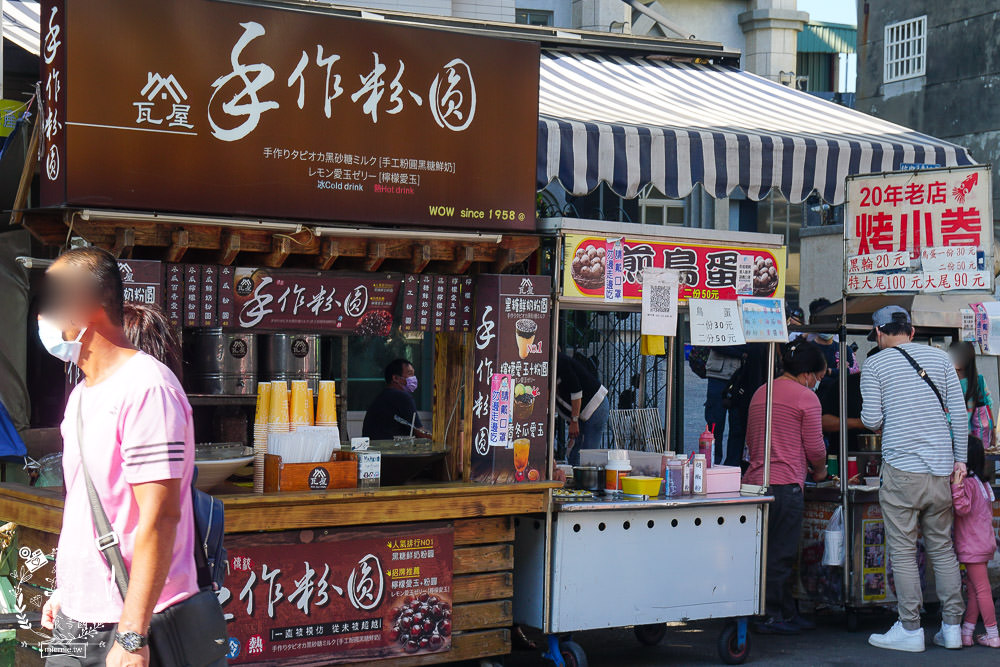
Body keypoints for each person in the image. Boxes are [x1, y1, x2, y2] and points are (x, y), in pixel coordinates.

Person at [37, 248, 199, 666]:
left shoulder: (148, 389)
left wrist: (131, 635)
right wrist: (69, 588)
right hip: (77, 617)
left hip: (130, 621)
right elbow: (93, 507)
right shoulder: (81, 396)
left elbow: (160, 518)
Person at [861, 305, 967, 653]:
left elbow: (872, 419)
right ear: (911, 330)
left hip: (902, 470)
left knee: (904, 552)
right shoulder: (940, 359)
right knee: (943, 548)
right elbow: (960, 414)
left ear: (878, 333)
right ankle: (952, 628)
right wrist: (960, 462)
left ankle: (910, 629)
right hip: (941, 470)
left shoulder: (875, 363)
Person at [744, 340, 828, 634]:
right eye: (818, 377)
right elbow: (816, 448)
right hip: (786, 486)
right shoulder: (807, 399)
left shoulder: (761, 392)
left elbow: (751, 439)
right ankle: (769, 615)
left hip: (754, 484)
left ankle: (780, 610)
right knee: (780, 555)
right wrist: (821, 470)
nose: (816, 383)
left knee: (760, 553)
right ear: (807, 374)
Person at [951, 436, 999, 648]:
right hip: (984, 544)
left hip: (972, 547)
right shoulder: (982, 483)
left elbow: (961, 508)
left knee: (981, 589)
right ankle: (967, 632)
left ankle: (993, 633)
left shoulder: (967, 484)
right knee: (973, 589)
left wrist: (956, 485)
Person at [556, 351, 609, 466]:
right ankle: (578, 479)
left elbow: (576, 391)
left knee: (587, 456)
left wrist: (574, 421)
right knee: (574, 453)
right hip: (579, 414)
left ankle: (587, 481)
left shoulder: (561, 363)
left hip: (595, 407)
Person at [362, 358, 430, 440]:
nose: (413, 378)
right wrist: (440, 439)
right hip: (390, 450)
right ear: (395, 378)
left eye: (413, 374)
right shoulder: (402, 397)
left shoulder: (383, 396)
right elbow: (420, 433)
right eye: (409, 374)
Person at [949, 341, 995, 446]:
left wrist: (992, 436)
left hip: (970, 442)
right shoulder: (943, 381)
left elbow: (987, 408)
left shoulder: (978, 382)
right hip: (946, 441)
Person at [703, 346, 744, 464]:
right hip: (718, 373)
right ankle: (712, 461)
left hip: (740, 373)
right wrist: (743, 353)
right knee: (715, 424)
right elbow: (715, 342)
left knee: (738, 424)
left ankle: (732, 465)